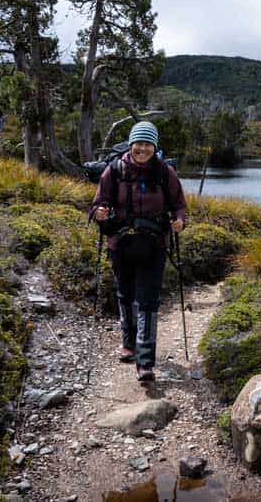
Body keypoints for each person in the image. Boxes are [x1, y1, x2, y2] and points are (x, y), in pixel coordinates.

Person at [90, 121, 187, 382]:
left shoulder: (165, 173)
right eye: (138, 143)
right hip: (120, 245)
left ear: (154, 147)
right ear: (131, 144)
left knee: (147, 301)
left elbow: (179, 205)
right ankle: (128, 344)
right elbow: (98, 202)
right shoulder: (114, 170)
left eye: (147, 144)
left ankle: (145, 362)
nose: (142, 149)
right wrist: (99, 212)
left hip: (154, 246)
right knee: (125, 294)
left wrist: (179, 220)